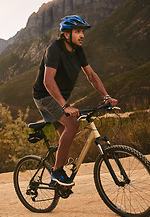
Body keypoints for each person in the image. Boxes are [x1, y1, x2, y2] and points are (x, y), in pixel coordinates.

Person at [32, 15, 118, 186]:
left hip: (59, 97)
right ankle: (56, 172)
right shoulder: (54, 50)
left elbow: (91, 76)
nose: (82, 35)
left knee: (66, 134)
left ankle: (57, 181)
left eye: (82, 32)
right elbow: (48, 81)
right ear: (65, 34)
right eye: (77, 31)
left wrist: (106, 96)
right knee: (73, 125)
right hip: (44, 96)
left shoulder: (78, 51)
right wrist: (65, 106)